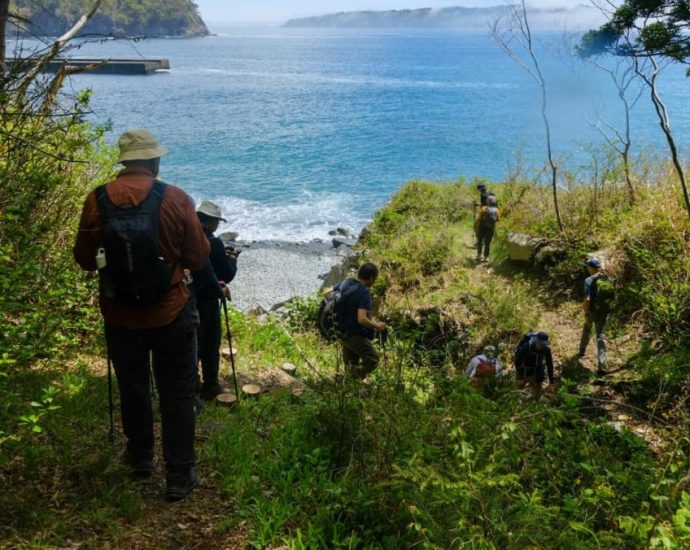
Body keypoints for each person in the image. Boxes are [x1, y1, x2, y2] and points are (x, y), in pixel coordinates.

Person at [74, 129, 210, 501]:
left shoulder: (97, 199)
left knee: (133, 387)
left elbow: (85, 260)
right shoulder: (176, 198)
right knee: (178, 392)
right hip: (171, 312)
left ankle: (139, 458)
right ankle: (179, 476)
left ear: (124, 161)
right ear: (154, 161)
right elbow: (198, 258)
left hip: (120, 315)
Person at [192, 201, 238, 400]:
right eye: (217, 221)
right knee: (210, 343)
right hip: (208, 299)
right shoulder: (214, 243)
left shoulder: (185, 238)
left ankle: (193, 382)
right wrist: (233, 260)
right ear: (211, 222)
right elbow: (225, 275)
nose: (218, 225)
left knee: (193, 342)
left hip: (187, 299)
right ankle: (210, 385)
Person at [329, 263, 386, 380]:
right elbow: (362, 319)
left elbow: (326, 293)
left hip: (340, 331)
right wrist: (377, 325)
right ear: (371, 278)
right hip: (354, 334)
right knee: (373, 359)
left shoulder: (346, 282)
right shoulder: (364, 293)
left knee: (351, 364)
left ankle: (347, 386)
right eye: (374, 278)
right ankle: (350, 379)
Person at [579, 258, 610, 375]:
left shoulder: (589, 280)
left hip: (592, 312)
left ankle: (581, 351)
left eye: (588, 267)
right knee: (600, 337)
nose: (587, 269)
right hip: (604, 312)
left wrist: (586, 313)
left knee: (587, 328)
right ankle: (602, 365)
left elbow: (587, 299)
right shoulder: (608, 278)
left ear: (591, 268)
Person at [474, 195, 500, 262]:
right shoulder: (497, 210)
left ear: (488, 201)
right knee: (487, 243)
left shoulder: (484, 208)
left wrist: (476, 228)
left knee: (480, 241)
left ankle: (479, 255)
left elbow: (479, 219)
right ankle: (486, 257)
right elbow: (498, 219)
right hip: (491, 228)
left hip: (482, 227)